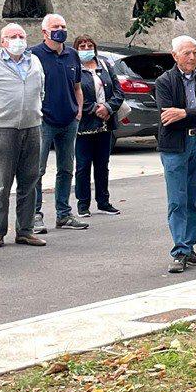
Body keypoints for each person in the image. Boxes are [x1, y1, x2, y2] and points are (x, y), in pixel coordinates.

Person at [152, 35, 196, 271]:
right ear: (175, 56)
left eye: (195, 53)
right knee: (177, 200)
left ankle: (189, 248)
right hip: (175, 146)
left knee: (193, 199)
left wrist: (185, 114)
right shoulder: (165, 81)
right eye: (186, 53)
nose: (192, 57)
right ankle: (179, 250)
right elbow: (167, 117)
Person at [0, 23, 47, 248]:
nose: (18, 40)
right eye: (12, 36)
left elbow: (41, 91)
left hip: (32, 126)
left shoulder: (34, 61)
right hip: (2, 128)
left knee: (29, 180)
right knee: (3, 182)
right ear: (2, 42)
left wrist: (34, 111)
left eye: (21, 36)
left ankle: (25, 230)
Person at [33, 12, 86, 232]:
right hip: (44, 121)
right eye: (56, 26)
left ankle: (63, 214)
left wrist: (79, 111)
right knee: (37, 170)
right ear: (44, 31)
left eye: (63, 26)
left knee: (66, 169)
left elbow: (77, 87)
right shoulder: (34, 55)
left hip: (69, 120)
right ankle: (34, 214)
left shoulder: (72, 55)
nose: (61, 30)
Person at [73, 36, 122, 216]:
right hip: (85, 125)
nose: (86, 48)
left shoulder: (105, 65)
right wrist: (93, 108)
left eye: (89, 45)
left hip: (105, 124)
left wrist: (108, 107)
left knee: (103, 164)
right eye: (82, 46)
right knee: (83, 165)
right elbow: (74, 94)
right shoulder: (75, 67)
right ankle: (83, 204)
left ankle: (104, 201)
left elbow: (118, 91)